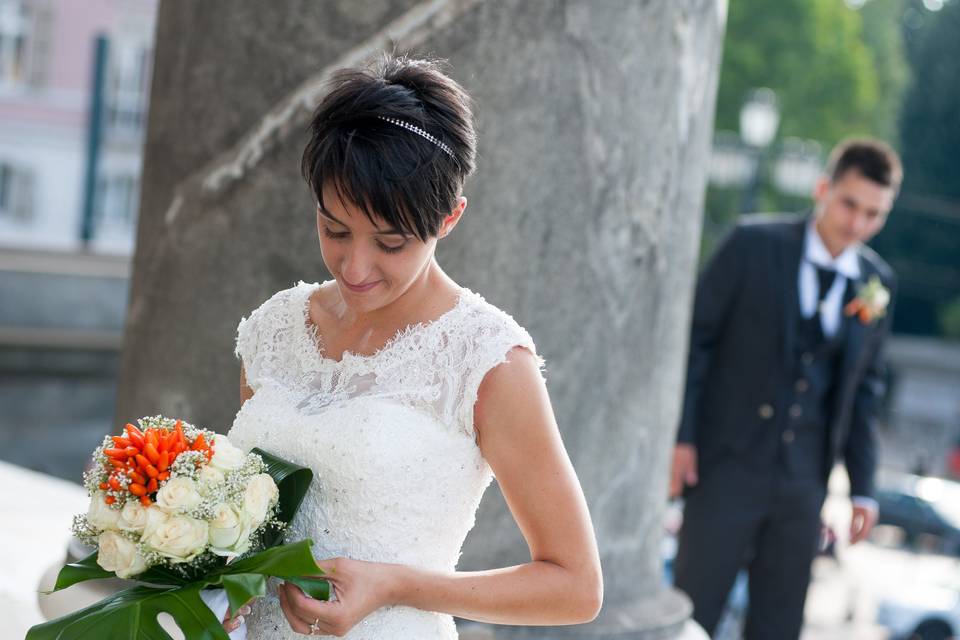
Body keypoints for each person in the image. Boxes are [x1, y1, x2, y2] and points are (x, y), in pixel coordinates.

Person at [223, 54, 603, 639]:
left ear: (449, 218)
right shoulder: (275, 328)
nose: (356, 266)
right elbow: (243, 512)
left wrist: (397, 585)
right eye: (334, 229)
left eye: (391, 242)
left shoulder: (487, 360)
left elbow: (575, 586)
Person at [669, 139, 901, 639]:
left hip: (804, 485)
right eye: (850, 204)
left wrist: (863, 488)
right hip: (723, 465)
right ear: (823, 189)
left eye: (874, 214)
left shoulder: (876, 282)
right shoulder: (751, 245)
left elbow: (865, 393)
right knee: (691, 615)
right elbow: (694, 343)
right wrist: (681, 438)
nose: (858, 224)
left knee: (778, 626)